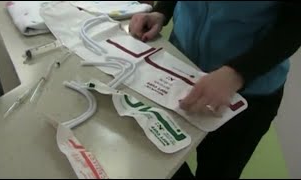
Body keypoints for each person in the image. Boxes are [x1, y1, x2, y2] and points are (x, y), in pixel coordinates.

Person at [129, 1, 301, 178]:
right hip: (182, 69)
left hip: (246, 93)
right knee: (158, 157)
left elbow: (295, 25)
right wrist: (161, 12)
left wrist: (238, 73)